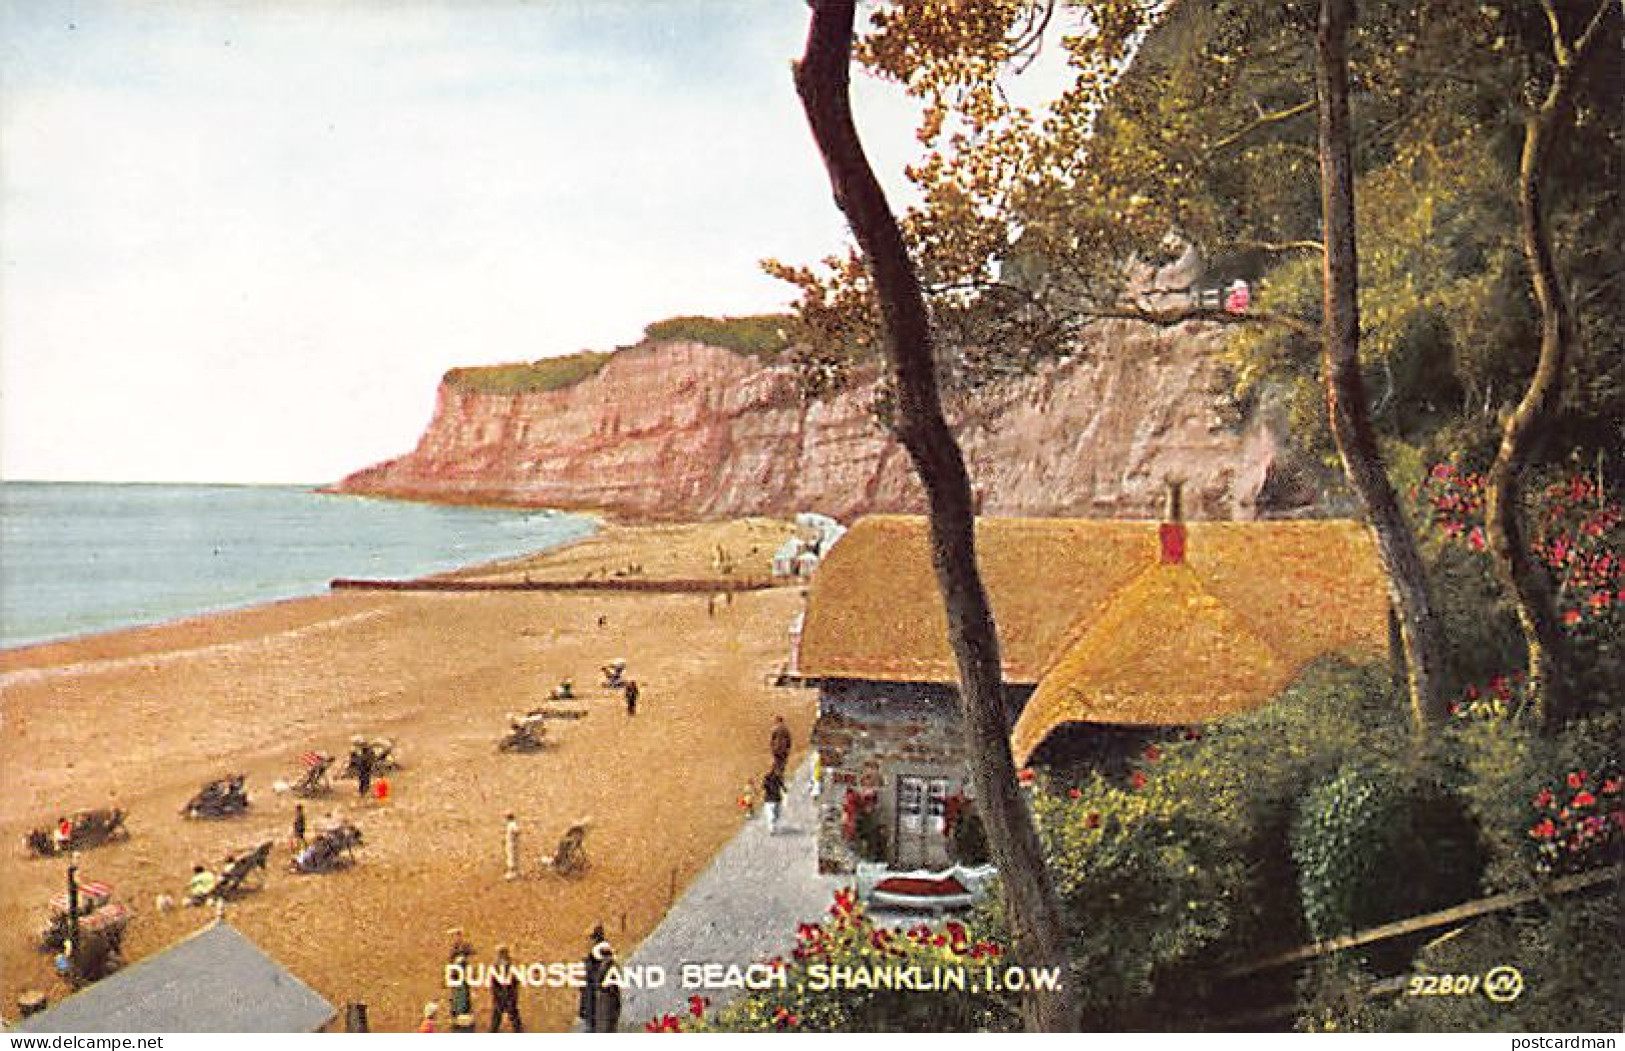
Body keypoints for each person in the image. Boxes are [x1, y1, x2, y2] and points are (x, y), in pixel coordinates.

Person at [578, 925, 606, 1031]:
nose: (590, 941)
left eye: (592, 938)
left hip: (595, 994)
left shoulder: (599, 951)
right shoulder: (597, 951)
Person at [489, 944, 522, 1032]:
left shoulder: (505, 966)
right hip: (504, 995)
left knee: (501, 1016)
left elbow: (515, 981)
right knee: (501, 1016)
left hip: (507, 995)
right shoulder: (500, 966)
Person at [592, 938, 622, 1033]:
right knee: (606, 1027)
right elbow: (600, 984)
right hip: (606, 1000)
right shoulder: (606, 966)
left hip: (609, 1000)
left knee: (609, 1026)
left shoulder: (608, 966)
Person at [762, 766, 786, 834]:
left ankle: (773, 827)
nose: (779, 772)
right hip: (769, 800)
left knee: (777, 815)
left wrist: (784, 789)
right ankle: (771, 829)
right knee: (771, 815)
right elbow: (764, 786)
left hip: (777, 799)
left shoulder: (778, 778)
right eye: (778, 771)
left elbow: (782, 784)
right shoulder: (767, 778)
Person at [504, 812, 521, 880]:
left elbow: (517, 831)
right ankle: (515, 872)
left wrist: (513, 837)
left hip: (512, 844)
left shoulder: (512, 824)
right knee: (512, 857)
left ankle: (512, 873)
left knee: (511, 857)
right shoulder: (512, 824)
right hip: (511, 843)